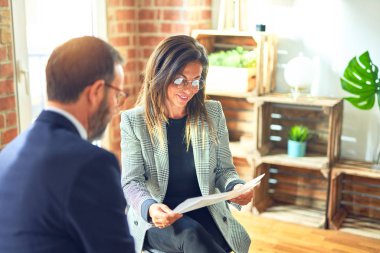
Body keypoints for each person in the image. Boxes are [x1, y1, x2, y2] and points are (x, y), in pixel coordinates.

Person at [0, 36, 135, 253]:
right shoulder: (91, 164)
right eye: (117, 95)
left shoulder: (9, 152)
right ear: (97, 91)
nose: (116, 107)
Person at [120, 35, 252, 253]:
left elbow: (224, 170)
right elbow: (132, 182)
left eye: (195, 81)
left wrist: (235, 187)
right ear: (160, 75)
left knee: (213, 240)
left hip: (204, 210)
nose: (189, 89)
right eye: (180, 80)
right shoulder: (134, 122)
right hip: (160, 216)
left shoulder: (212, 113)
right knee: (192, 235)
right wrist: (150, 207)